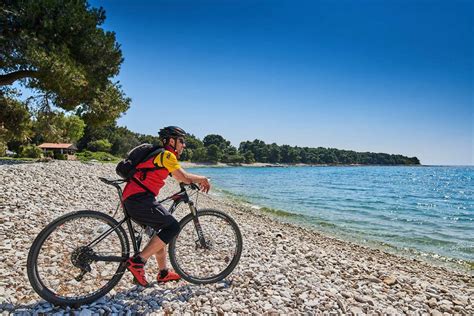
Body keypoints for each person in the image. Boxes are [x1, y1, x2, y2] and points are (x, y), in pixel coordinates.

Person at [123, 126, 211, 286]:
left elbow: (178, 176)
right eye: (182, 141)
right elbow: (183, 177)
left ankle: (163, 273)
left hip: (135, 198)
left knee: (159, 233)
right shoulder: (166, 155)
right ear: (172, 141)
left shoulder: (160, 156)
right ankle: (138, 261)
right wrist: (202, 179)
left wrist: (192, 180)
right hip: (139, 199)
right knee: (172, 227)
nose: (184, 145)